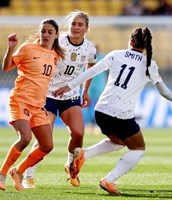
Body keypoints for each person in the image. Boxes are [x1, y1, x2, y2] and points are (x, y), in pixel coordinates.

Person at [54, 27, 172, 195]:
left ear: (130, 41)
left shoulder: (116, 54)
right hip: (120, 115)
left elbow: (91, 71)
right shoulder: (149, 64)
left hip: (101, 111)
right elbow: (164, 92)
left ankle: (84, 155)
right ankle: (109, 180)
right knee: (138, 148)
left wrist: (70, 86)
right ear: (146, 46)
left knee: (119, 142)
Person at [23, 10, 96, 188]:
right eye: (73, 24)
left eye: (80, 24)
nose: (76, 27)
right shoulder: (58, 40)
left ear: (86, 28)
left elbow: (91, 67)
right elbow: (37, 49)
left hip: (70, 96)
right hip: (48, 93)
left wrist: (85, 90)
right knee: (44, 137)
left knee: (78, 134)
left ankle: (70, 164)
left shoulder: (90, 48)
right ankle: (28, 175)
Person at [0, 19, 65, 192]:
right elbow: (6, 67)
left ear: (56, 35)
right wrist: (10, 48)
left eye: (49, 32)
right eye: (43, 31)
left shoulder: (56, 55)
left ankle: (18, 172)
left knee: (47, 146)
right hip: (21, 100)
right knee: (25, 138)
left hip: (38, 106)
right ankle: (1, 174)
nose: (45, 35)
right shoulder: (27, 48)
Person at [84, 44, 107, 135]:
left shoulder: (103, 58)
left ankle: (98, 125)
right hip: (90, 85)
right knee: (88, 105)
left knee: (99, 106)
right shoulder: (87, 59)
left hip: (99, 85)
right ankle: (90, 124)